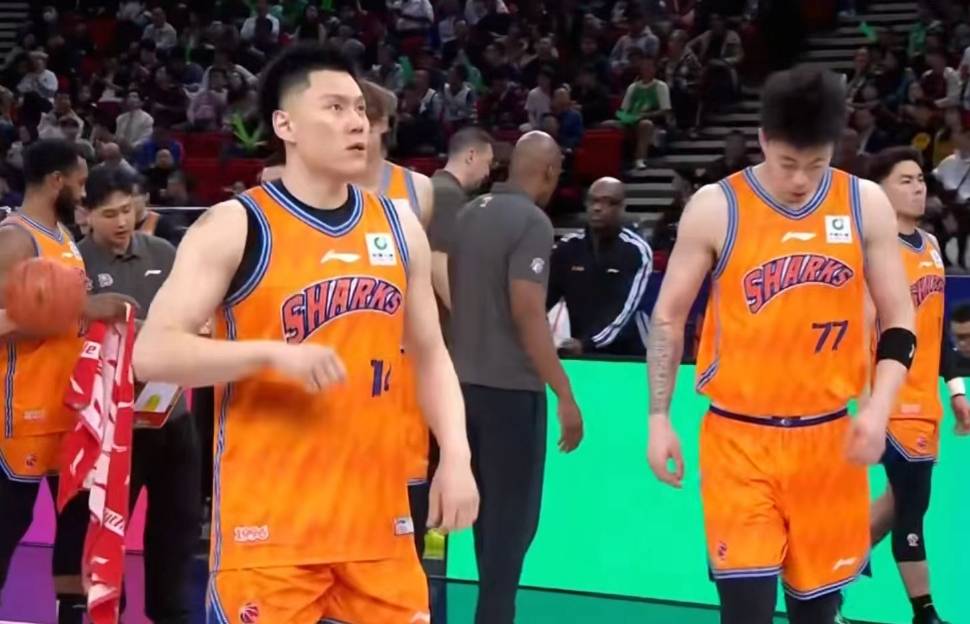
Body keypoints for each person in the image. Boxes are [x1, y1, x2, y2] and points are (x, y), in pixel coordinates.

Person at [132, 44, 478, 623]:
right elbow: (153, 353)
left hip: (377, 526)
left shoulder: (399, 227)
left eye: (359, 109)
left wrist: (458, 457)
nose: (356, 122)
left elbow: (431, 354)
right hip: (271, 532)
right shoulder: (236, 224)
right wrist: (270, 355)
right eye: (335, 107)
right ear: (285, 125)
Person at [646, 66, 915, 624]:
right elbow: (668, 317)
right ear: (764, 140)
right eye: (788, 163)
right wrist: (658, 416)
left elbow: (899, 320)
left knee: (816, 613)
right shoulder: (717, 206)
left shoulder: (864, 203)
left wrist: (878, 409)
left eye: (815, 164)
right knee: (744, 610)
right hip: (739, 440)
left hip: (828, 441)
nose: (801, 180)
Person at [449, 130, 583, 624]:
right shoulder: (532, 222)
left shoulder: (467, 214)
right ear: (548, 171)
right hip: (510, 394)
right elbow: (527, 310)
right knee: (510, 532)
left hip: (460, 390)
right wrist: (564, 392)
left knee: (481, 526)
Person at [0, 139, 130, 624]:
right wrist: (77, 308)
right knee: (7, 529)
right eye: (79, 182)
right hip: (21, 416)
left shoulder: (64, 237)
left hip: (69, 412)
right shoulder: (15, 239)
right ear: (57, 181)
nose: (83, 191)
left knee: (75, 532)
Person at [77, 166, 202, 624]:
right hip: (112, 429)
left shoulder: (163, 253)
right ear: (86, 214)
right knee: (106, 535)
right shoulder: (74, 264)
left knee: (179, 526)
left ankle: (171, 613)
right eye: (110, 214)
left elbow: (190, 317)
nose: (122, 222)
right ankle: (108, 612)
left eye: (128, 210)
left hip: (173, 417)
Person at [863, 146, 970, 624]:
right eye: (904, 180)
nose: (918, 187)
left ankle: (822, 583)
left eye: (921, 179)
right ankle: (924, 612)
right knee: (911, 505)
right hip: (888, 399)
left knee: (894, 505)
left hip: (925, 400)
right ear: (879, 191)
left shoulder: (929, 245)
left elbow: (938, 329)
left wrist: (957, 391)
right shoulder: (870, 250)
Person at [355, 78, 439, 561]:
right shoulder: (317, 184)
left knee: (405, 488)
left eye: (365, 116)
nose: (354, 125)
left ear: (385, 124)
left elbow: (423, 273)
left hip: (399, 354)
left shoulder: (417, 189)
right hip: (338, 349)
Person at [547, 176, 652, 357]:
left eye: (608, 202)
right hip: (580, 351)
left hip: (630, 354)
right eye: (593, 201)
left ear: (622, 207)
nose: (597, 208)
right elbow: (544, 299)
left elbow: (625, 311)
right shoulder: (567, 248)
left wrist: (587, 343)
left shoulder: (636, 251)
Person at [429, 126, 495, 308]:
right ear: (471, 156)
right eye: (488, 163)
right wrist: (463, 314)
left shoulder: (433, 186)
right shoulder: (447, 195)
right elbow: (438, 261)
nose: (488, 173)